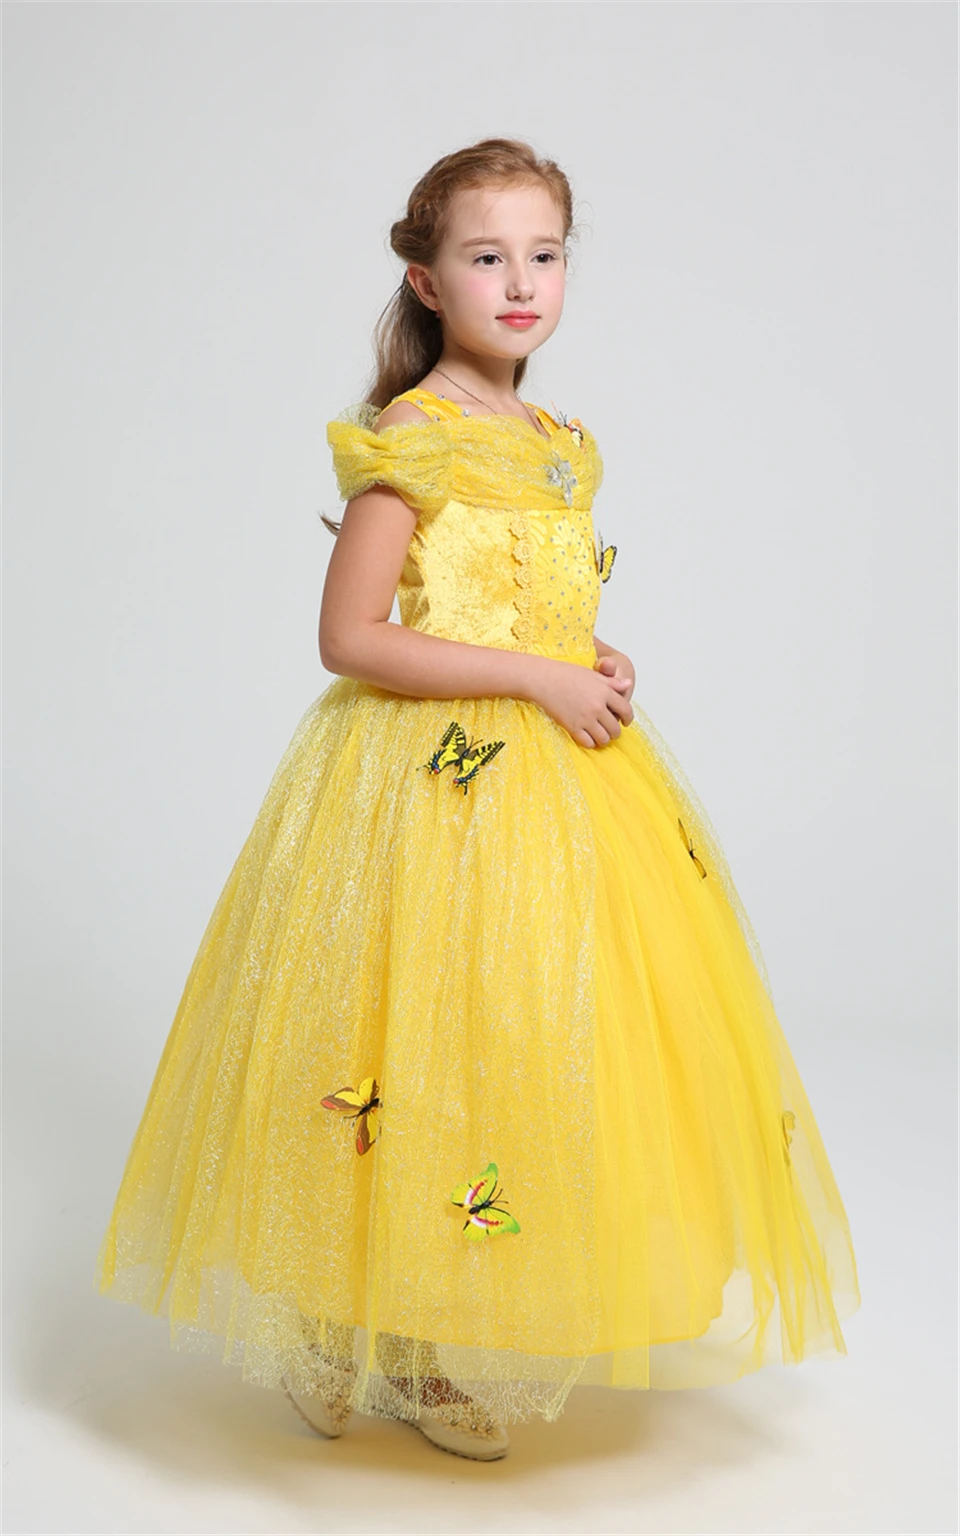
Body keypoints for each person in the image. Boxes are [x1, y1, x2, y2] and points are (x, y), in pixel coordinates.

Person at [95, 136, 861, 1463]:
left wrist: (590, 656)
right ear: (427, 277)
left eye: (543, 256)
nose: (519, 283)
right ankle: (340, 1325)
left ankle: (429, 1342)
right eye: (486, 256)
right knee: (396, 1045)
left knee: (510, 1052)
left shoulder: (563, 443)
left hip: (558, 796)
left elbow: (532, 603)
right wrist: (534, 675)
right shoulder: (412, 434)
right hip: (421, 789)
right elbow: (351, 637)